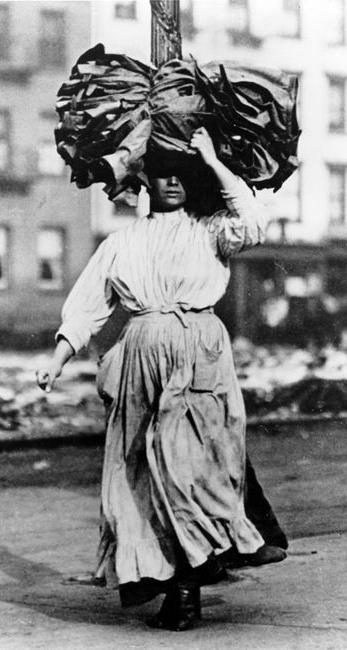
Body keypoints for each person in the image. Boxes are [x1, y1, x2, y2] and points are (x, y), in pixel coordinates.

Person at [36, 127, 286, 631]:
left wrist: (213, 159)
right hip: (140, 359)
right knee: (143, 479)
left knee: (188, 471)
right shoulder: (122, 243)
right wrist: (59, 358)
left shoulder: (210, 230)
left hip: (199, 356)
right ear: (144, 180)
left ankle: (190, 587)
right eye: (162, 173)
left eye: (182, 174)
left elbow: (256, 223)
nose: (172, 182)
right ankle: (178, 588)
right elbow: (89, 304)